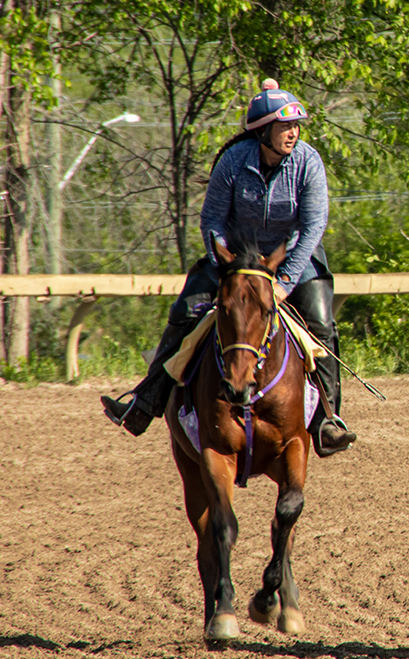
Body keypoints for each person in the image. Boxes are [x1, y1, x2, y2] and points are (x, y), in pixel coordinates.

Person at [101, 79, 356, 456]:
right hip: (235, 261)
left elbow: (313, 227)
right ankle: (145, 403)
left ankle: (327, 421)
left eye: (296, 126)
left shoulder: (308, 162)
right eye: (285, 126)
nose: (293, 133)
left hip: (295, 262)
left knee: (320, 321)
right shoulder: (233, 162)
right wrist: (228, 269)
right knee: (185, 311)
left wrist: (284, 280)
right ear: (262, 131)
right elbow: (212, 221)